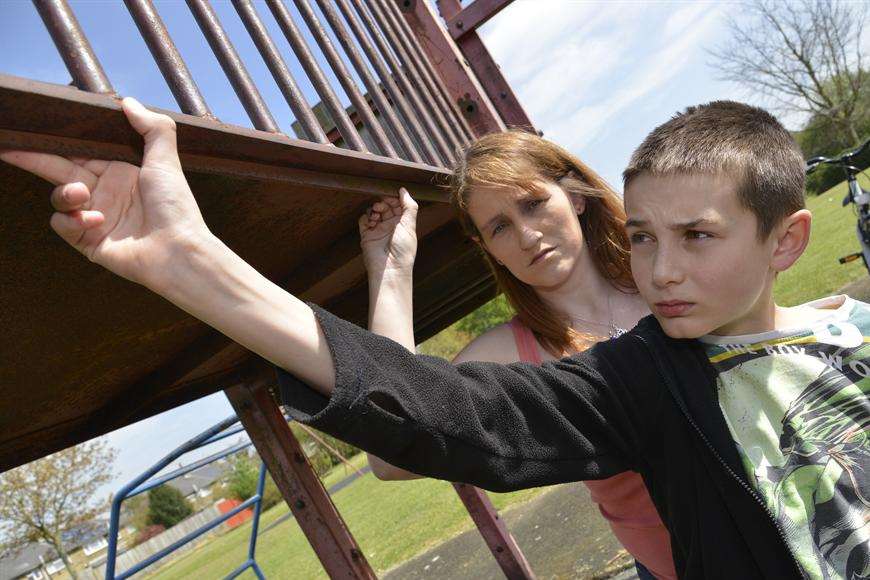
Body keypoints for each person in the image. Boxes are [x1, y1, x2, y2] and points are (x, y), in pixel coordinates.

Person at [3, 99, 867, 578]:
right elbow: (427, 411)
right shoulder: (625, 376)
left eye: (696, 238)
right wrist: (195, 264)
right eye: (496, 226)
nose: (666, 270)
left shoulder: (829, 331)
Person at [357, 131, 673, 579]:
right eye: (500, 227)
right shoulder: (514, 353)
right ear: (490, 250)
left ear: (576, 197)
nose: (526, 236)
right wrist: (391, 274)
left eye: (533, 203)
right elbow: (390, 453)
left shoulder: (665, 271)